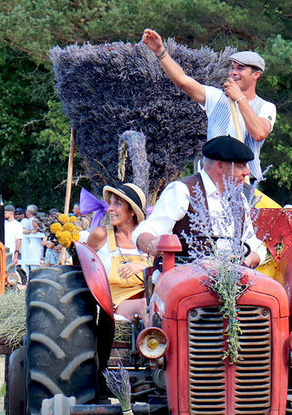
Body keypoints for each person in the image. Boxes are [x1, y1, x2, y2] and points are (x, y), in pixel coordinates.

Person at [142, 29, 275, 181]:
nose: (233, 72)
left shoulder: (266, 107)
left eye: (240, 68)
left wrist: (240, 99)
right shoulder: (216, 97)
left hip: (245, 180)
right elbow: (182, 80)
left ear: (256, 75)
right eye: (232, 67)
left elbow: (259, 133)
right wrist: (160, 52)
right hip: (213, 179)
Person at [134, 136, 266, 268]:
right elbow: (148, 230)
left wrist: (252, 258)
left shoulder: (240, 199)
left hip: (232, 282)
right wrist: (152, 243)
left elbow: (252, 242)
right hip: (184, 281)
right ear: (220, 166)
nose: (247, 172)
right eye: (241, 166)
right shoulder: (182, 191)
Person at [86, 184, 152, 320]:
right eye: (110, 203)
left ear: (132, 211)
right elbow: (84, 270)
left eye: (118, 204)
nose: (110, 208)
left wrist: (144, 267)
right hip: (113, 301)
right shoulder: (100, 235)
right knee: (145, 306)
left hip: (148, 296)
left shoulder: (146, 239)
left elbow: (161, 271)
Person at [3, 205, 24, 270]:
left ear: (11, 213)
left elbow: (18, 240)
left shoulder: (17, 225)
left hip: (11, 252)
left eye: (5, 213)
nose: (4, 215)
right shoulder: (3, 223)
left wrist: (16, 256)